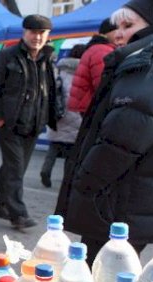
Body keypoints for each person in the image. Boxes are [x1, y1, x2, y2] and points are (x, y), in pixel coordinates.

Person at [58, 0, 153, 261]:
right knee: (120, 273)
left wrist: (84, 180)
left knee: (98, 277)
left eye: (128, 25)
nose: (119, 33)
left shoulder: (146, 68)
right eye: (117, 26)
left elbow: (121, 142)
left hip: (121, 201)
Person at [0, 14, 58, 231]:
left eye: (42, 33)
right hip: (10, 123)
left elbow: (49, 89)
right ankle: (18, 214)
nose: (37, 37)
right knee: (15, 167)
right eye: (33, 32)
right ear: (24, 33)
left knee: (15, 167)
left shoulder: (46, 58)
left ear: (48, 35)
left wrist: (52, 114)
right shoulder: (7, 56)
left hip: (34, 123)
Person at [40, 45, 85, 188]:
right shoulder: (83, 74)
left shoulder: (59, 72)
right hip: (77, 115)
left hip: (59, 114)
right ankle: (67, 179)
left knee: (53, 147)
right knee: (71, 153)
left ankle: (45, 171)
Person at [68, 18, 118, 114]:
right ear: (108, 32)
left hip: (88, 105)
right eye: (118, 29)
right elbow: (103, 84)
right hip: (94, 107)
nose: (121, 33)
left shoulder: (97, 48)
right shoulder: (102, 50)